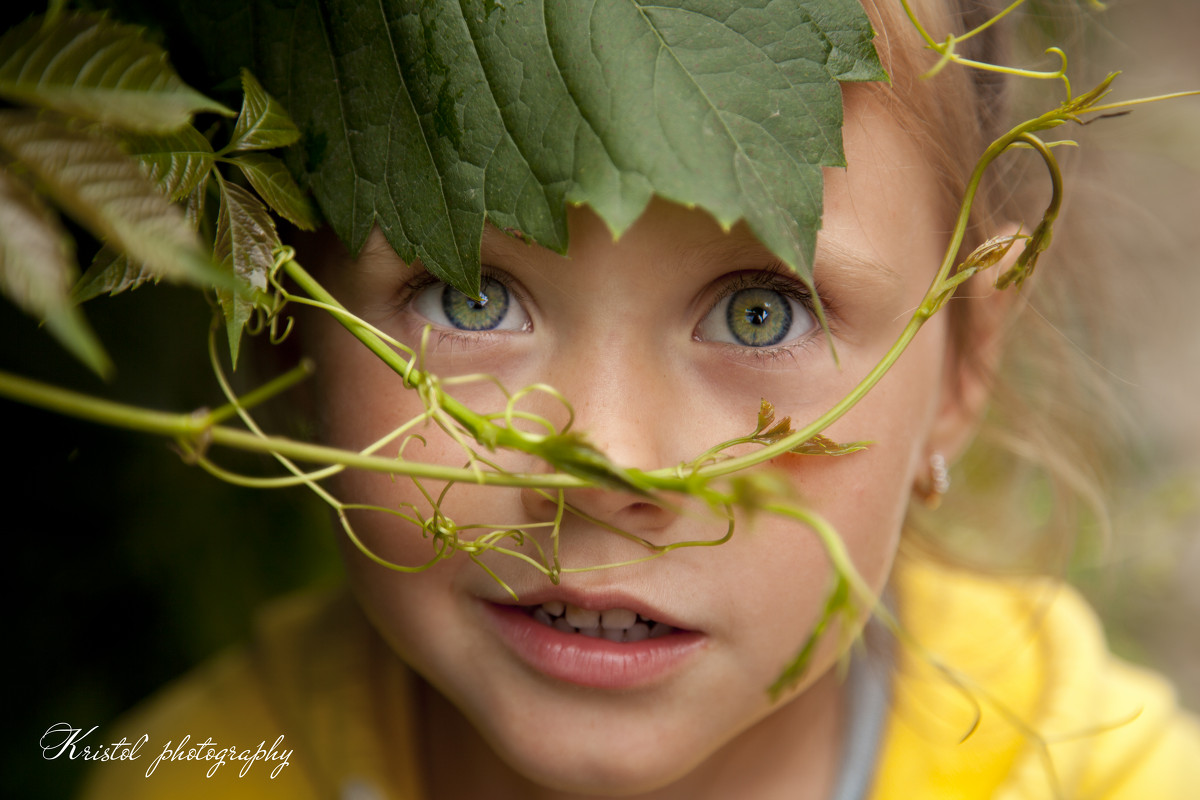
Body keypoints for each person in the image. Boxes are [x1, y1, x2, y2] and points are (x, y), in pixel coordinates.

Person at [79, 0, 1200, 797]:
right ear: (295, 302)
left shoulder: (1085, 770)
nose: (607, 461)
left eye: (762, 309)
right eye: (469, 295)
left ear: (965, 359)